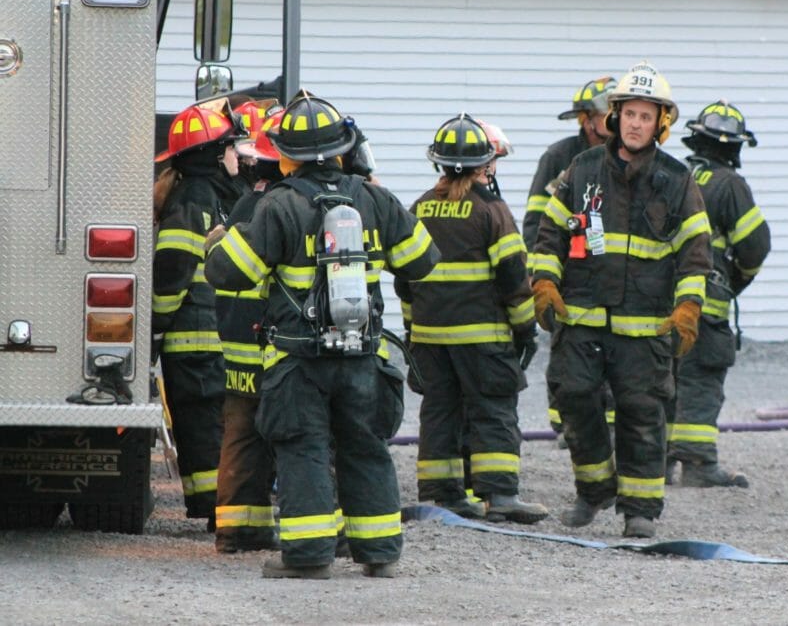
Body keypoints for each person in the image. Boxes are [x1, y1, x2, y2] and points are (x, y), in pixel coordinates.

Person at [206, 92, 439, 579]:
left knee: (303, 447)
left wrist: (220, 242)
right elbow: (424, 260)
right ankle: (379, 552)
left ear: (285, 155)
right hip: (362, 357)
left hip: (298, 362)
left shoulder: (279, 206)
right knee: (365, 446)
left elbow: (227, 274)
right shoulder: (373, 198)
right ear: (341, 149)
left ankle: (309, 557)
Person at [532, 61, 712, 538]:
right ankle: (594, 491)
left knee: (643, 414)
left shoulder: (678, 181)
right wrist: (545, 284)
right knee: (572, 398)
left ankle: (640, 509)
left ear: (661, 124)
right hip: (583, 318)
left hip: (645, 327)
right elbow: (550, 233)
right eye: (629, 113)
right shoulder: (583, 169)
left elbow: (696, 253)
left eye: (645, 116)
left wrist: (688, 307)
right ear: (614, 117)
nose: (635, 123)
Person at [395, 114, 548, 524]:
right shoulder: (493, 211)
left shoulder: (418, 210)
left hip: (429, 339)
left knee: (440, 411)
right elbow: (515, 278)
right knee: (492, 409)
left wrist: (413, 330)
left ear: (439, 164)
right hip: (483, 339)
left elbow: (404, 281)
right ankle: (499, 496)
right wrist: (525, 329)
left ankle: (440, 495)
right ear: (485, 165)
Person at [152, 99, 249, 529]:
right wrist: (156, 328)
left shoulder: (214, 195)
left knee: (215, 426)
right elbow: (171, 270)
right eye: (230, 147)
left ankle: (221, 508)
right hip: (195, 339)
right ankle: (218, 510)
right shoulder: (196, 198)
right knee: (207, 427)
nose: (238, 155)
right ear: (212, 153)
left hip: (211, 337)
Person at [666, 100, 770, 488]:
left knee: (662, 380)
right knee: (701, 379)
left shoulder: (673, 175)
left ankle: (657, 465)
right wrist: (734, 280)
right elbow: (756, 246)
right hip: (706, 305)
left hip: (659, 302)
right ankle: (698, 464)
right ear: (735, 147)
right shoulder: (730, 185)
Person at [523, 76, 618, 442]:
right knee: (568, 350)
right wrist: (544, 273)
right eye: (605, 114)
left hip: (611, 274)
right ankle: (567, 425)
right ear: (586, 118)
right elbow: (536, 220)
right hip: (570, 271)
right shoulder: (559, 158)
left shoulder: (624, 158)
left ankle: (608, 426)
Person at [210, 100, 282, 553]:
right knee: (293, 435)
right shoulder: (279, 208)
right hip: (273, 348)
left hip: (237, 348)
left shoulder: (243, 206)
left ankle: (238, 529)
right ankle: (309, 529)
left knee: (241, 436)